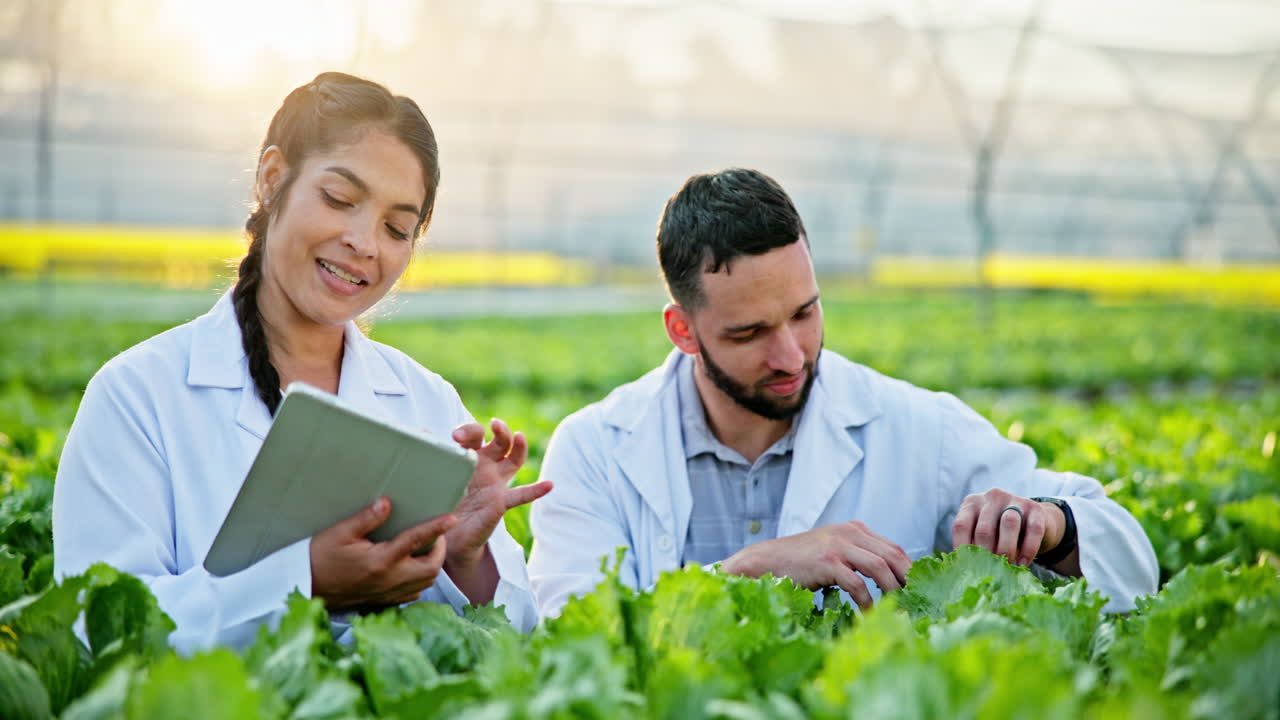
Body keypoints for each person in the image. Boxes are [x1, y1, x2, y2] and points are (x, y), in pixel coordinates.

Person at [53, 72, 552, 653]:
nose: (365, 243)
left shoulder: (428, 401)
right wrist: (304, 583)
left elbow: (516, 636)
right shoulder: (137, 396)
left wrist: (468, 557)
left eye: (396, 228)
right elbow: (98, 629)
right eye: (340, 200)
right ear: (272, 179)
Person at [528, 168, 1158, 618]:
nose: (791, 354)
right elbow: (569, 634)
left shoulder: (920, 427)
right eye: (750, 333)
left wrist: (1053, 525)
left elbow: (1132, 561)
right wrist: (749, 573)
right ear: (682, 330)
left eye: (804, 313)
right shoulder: (594, 450)